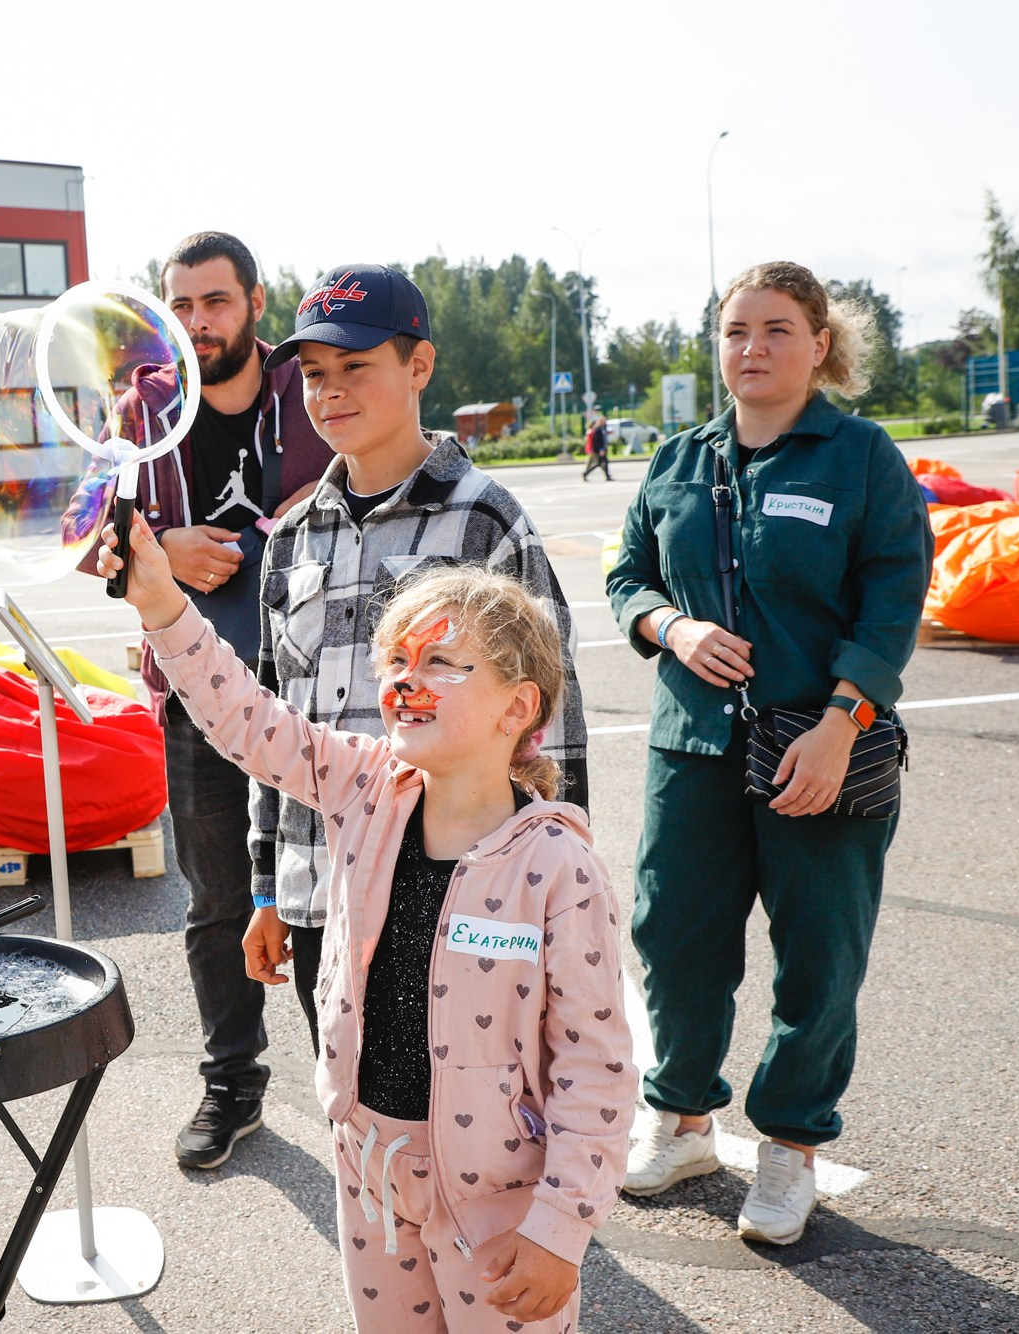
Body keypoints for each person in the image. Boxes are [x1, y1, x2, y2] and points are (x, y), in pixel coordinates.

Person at [101, 526, 633, 1332]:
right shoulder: (366, 789)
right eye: (396, 663)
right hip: (370, 1170)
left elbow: (596, 1066)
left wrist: (561, 1229)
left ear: (519, 707)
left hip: (500, 1199)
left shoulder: (559, 867)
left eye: (440, 662)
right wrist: (162, 606)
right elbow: (246, 718)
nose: (406, 681)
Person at [606, 260, 931, 1246]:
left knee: (819, 955)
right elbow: (628, 575)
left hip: (818, 745)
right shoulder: (676, 459)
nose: (751, 348)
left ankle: (790, 1144)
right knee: (673, 938)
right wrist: (670, 626)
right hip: (692, 746)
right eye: (735, 330)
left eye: (776, 329)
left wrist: (841, 724)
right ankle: (682, 1120)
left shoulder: (859, 457)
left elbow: (892, 598)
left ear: (819, 345)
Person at [242, 264, 589, 1049]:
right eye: (314, 374)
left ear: (419, 366)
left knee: (467, 1105)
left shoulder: (484, 521)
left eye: (355, 366)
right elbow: (275, 726)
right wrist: (267, 887)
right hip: (322, 892)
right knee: (347, 1099)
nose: (330, 391)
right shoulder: (294, 537)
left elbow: (551, 723)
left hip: (454, 890)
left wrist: (558, 897)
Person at [89, 231, 333, 1170]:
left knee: (323, 889)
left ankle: (348, 1081)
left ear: (256, 302)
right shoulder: (142, 405)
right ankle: (233, 1080)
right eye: (181, 306)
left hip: (313, 688)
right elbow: (91, 536)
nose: (198, 323)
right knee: (217, 899)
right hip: (195, 690)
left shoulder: (309, 385)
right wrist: (164, 544)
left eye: (216, 302)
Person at [581, 413, 612, 481]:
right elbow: (597, 440)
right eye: (604, 421)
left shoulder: (603, 428)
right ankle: (586, 473)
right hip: (599, 450)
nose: (605, 422)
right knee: (599, 463)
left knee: (604, 462)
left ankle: (607, 476)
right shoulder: (597, 429)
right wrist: (601, 449)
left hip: (603, 448)